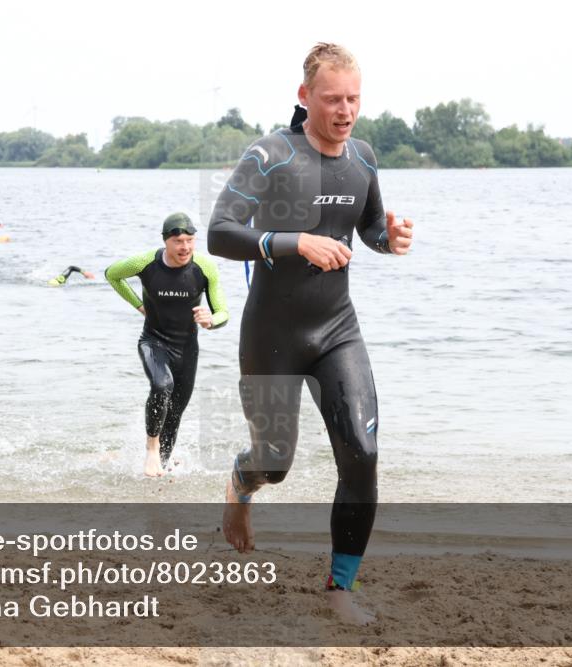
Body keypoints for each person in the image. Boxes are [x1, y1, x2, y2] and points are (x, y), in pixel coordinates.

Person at [207, 43, 414, 625]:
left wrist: (389, 236)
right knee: (275, 463)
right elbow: (219, 233)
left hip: (336, 329)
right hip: (271, 332)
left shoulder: (364, 158)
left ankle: (339, 588)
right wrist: (293, 241)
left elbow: (368, 225)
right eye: (332, 99)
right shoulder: (270, 155)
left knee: (363, 454)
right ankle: (239, 485)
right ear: (305, 97)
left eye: (353, 99)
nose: (345, 110)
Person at [105, 213, 229, 477]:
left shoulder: (205, 267)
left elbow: (223, 313)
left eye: (190, 240)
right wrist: (139, 305)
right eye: (178, 241)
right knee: (162, 386)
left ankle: (159, 472)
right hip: (153, 341)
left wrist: (211, 320)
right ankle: (151, 449)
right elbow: (112, 274)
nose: (185, 247)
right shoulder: (146, 262)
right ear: (166, 241)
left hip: (187, 349)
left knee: (174, 415)